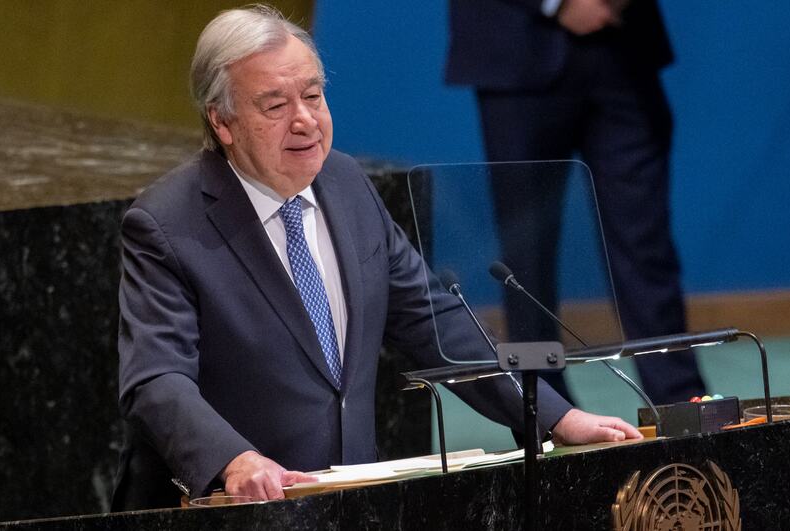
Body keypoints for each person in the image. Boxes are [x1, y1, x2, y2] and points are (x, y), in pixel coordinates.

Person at [111, 5, 642, 510]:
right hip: (230, 507)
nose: (305, 121)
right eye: (275, 106)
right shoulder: (166, 224)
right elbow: (156, 380)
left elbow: (432, 322)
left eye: (314, 96)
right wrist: (235, 460)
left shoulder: (346, 184)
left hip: (348, 498)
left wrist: (555, 417)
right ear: (222, 122)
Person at [445, 0, 707, 405]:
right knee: (524, 256)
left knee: (646, 243)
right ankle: (543, 410)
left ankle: (683, 404)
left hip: (626, 47)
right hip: (515, 45)